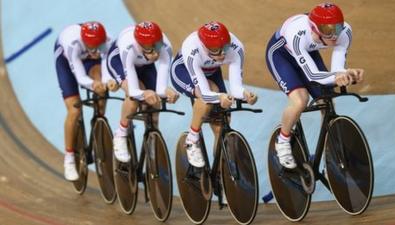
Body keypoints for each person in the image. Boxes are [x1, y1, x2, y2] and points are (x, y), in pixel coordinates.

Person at [265, 3, 364, 169]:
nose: (333, 36)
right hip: (281, 56)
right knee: (300, 100)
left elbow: (337, 70)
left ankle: (328, 154)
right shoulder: (298, 34)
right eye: (327, 31)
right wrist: (337, 76)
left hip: (307, 53)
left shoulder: (345, 32)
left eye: (337, 28)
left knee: (327, 99)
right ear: (315, 28)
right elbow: (313, 76)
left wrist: (346, 74)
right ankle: (282, 142)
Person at [171, 21, 258, 167]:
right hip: (184, 71)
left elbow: (236, 87)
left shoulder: (236, 47)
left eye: (225, 47)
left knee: (222, 122)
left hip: (211, 71)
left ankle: (219, 170)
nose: (223, 53)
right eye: (216, 49)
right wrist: (219, 97)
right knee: (206, 98)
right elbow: (205, 93)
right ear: (204, 47)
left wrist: (245, 94)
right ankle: (192, 140)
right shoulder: (191, 48)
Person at [54, 21, 118, 181]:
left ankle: (98, 123)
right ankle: (69, 157)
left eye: (99, 47)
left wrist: (107, 81)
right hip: (66, 62)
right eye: (93, 47)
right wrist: (92, 84)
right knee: (74, 110)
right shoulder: (72, 44)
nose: (97, 50)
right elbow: (81, 77)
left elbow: (106, 64)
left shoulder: (107, 41)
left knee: (102, 83)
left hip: (88, 59)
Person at [107, 21, 179, 163]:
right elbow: (134, 91)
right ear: (140, 45)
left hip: (145, 66)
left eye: (157, 46)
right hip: (120, 62)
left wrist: (167, 92)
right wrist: (143, 93)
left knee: (155, 104)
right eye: (149, 48)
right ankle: (120, 134)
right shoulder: (128, 48)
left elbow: (160, 88)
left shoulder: (166, 46)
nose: (155, 53)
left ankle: (152, 137)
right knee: (135, 97)